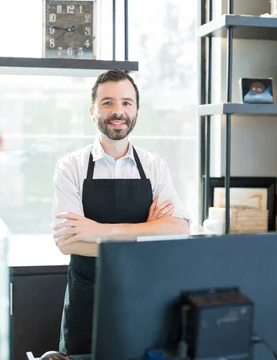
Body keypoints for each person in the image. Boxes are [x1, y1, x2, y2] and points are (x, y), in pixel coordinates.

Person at [51, 69, 191, 355]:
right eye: (108, 103)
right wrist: (146, 233)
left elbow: (179, 229)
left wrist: (100, 231)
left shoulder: (155, 166)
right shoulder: (71, 167)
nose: (118, 111)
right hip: (88, 302)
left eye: (127, 102)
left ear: (137, 110)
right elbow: (68, 243)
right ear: (93, 110)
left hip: (144, 300)